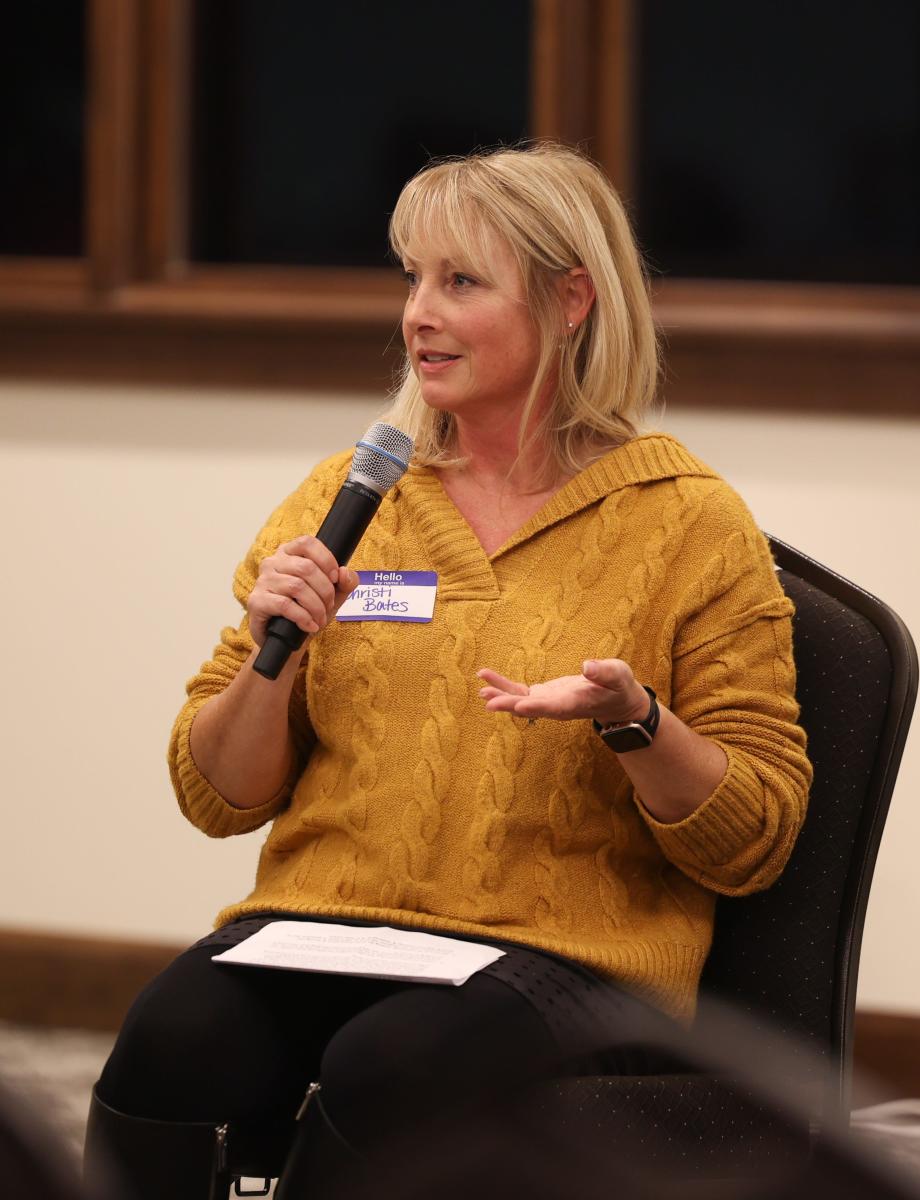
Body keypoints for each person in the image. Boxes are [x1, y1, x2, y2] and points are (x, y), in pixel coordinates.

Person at [85, 142, 812, 1199]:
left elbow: (758, 838)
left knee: (391, 1065)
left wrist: (635, 721)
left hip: (564, 957)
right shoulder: (350, 497)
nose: (418, 314)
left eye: (460, 282)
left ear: (572, 301)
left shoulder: (688, 523)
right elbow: (217, 795)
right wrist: (273, 658)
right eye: (412, 280)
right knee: (173, 1033)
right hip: (326, 925)